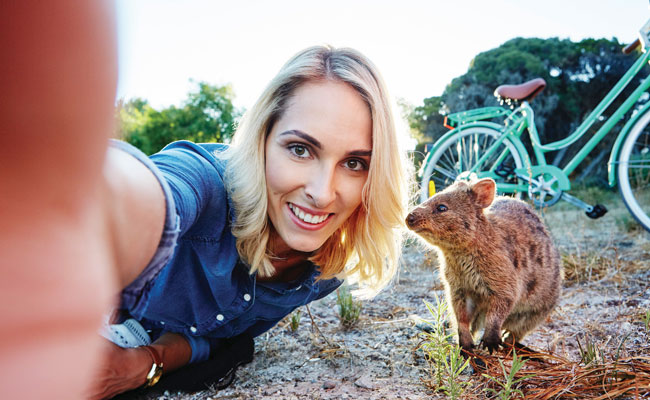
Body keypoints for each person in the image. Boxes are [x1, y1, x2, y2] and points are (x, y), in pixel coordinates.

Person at [87, 45, 412, 399]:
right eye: (300, 149)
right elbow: (145, 192)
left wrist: (147, 364)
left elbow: (214, 338)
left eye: (354, 163)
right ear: (263, 140)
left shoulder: (323, 275)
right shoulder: (207, 183)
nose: (322, 193)